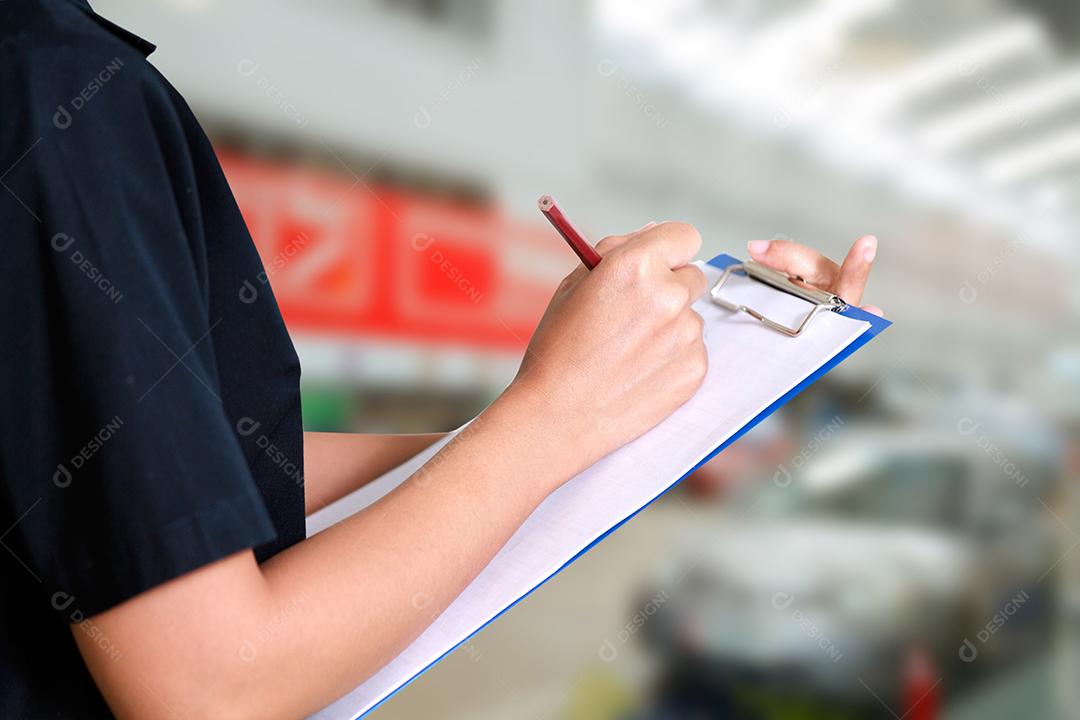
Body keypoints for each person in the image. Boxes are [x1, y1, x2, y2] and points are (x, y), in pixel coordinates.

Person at [0, 1, 882, 718]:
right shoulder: (55, 90)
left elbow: (209, 483)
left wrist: (586, 405)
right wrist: (550, 417)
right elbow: (209, 690)